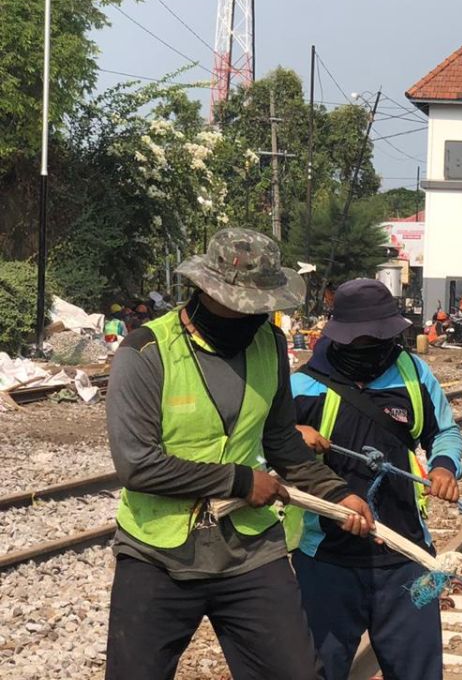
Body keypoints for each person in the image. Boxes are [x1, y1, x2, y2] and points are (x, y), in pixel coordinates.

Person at [105, 228, 376, 680]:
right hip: (158, 552)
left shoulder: (268, 344)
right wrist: (241, 481)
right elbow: (136, 463)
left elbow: (282, 442)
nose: (254, 315)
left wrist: (337, 493)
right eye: (243, 305)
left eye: (263, 306)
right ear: (205, 291)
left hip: (250, 550)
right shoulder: (146, 353)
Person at [291, 279, 462, 680]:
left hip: (407, 559)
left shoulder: (414, 374)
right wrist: (292, 436)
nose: (370, 346)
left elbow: (446, 432)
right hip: (327, 560)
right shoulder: (303, 385)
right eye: (360, 339)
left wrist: (443, 466)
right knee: (318, 670)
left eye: (379, 337)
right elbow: (264, 452)